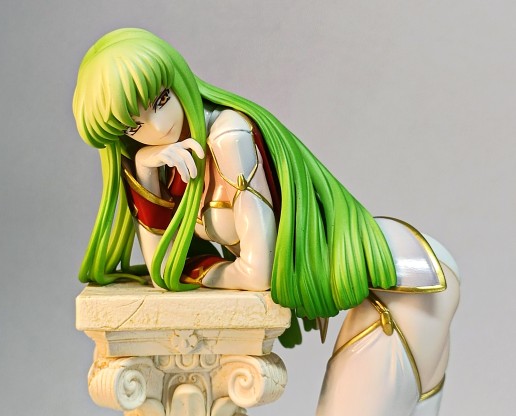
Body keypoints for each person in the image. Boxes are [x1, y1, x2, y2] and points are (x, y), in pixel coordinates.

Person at [73, 28, 459, 416]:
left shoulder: (228, 136)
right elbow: (163, 271)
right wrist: (144, 168)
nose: (158, 127)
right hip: (400, 280)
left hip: (403, 284)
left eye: (161, 100)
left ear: (179, 81)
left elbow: (257, 273)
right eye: (134, 127)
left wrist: (200, 271)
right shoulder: (170, 161)